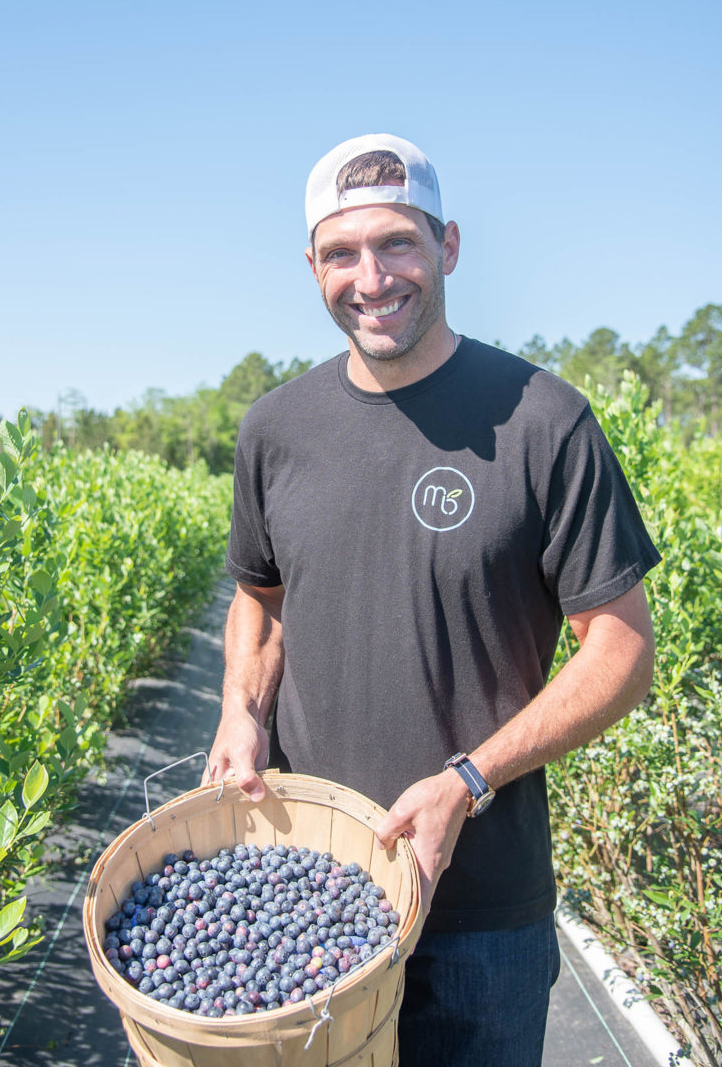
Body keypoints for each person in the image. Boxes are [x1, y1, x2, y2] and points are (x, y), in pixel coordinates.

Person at [205, 133, 660, 1066]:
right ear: (311, 266)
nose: (370, 278)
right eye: (341, 253)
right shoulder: (275, 429)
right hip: (305, 887)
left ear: (447, 245)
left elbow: (619, 650)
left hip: (480, 915)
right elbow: (261, 598)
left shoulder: (542, 418)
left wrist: (469, 779)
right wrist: (238, 711)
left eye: (396, 244)